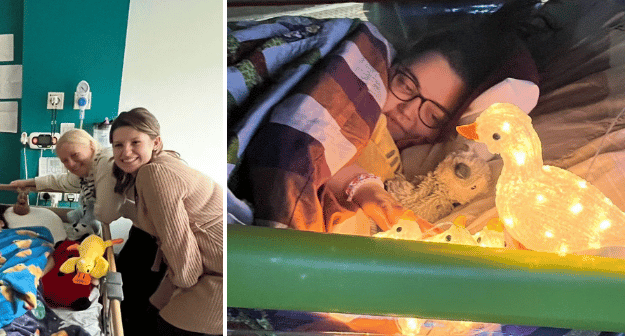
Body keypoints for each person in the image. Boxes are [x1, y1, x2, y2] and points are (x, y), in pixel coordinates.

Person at [230, 0, 539, 233]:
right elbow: (302, 143)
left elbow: (333, 163)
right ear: (392, 65)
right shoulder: (364, 63)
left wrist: (366, 189)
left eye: (431, 113)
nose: (407, 111)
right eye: (406, 84)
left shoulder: (403, 165)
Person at [110, 107, 223, 336]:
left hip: (217, 276)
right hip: (207, 269)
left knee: (160, 333)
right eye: (118, 145)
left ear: (155, 142)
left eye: (135, 143)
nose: (125, 152)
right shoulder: (164, 164)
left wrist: (178, 284)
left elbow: (183, 256)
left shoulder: (155, 174)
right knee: (145, 317)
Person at [10, 128, 123, 235]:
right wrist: (26, 183)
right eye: (65, 161)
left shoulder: (106, 162)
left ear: (91, 145)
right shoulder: (86, 173)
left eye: (75, 155)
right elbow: (60, 181)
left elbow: (106, 215)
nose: (71, 164)